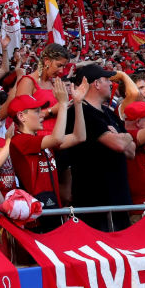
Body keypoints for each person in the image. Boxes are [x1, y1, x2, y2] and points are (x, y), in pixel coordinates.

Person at [62, 64, 135, 229]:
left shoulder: (109, 113)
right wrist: (127, 135)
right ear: (95, 84)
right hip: (95, 202)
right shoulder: (80, 112)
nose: (111, 84)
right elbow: (118, 145)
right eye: (107, 80)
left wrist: (122, 136)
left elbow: (131, 151)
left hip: (120, 199)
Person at [7, 78, 87, 213]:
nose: (41, 115)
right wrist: (62, 104)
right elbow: (57, 138)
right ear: (21, 116)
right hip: (36, 214)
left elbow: (79, 137)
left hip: (51, 206)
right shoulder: (20, 140)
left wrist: (78, 103)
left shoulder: (40, 140)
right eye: (36, 111)